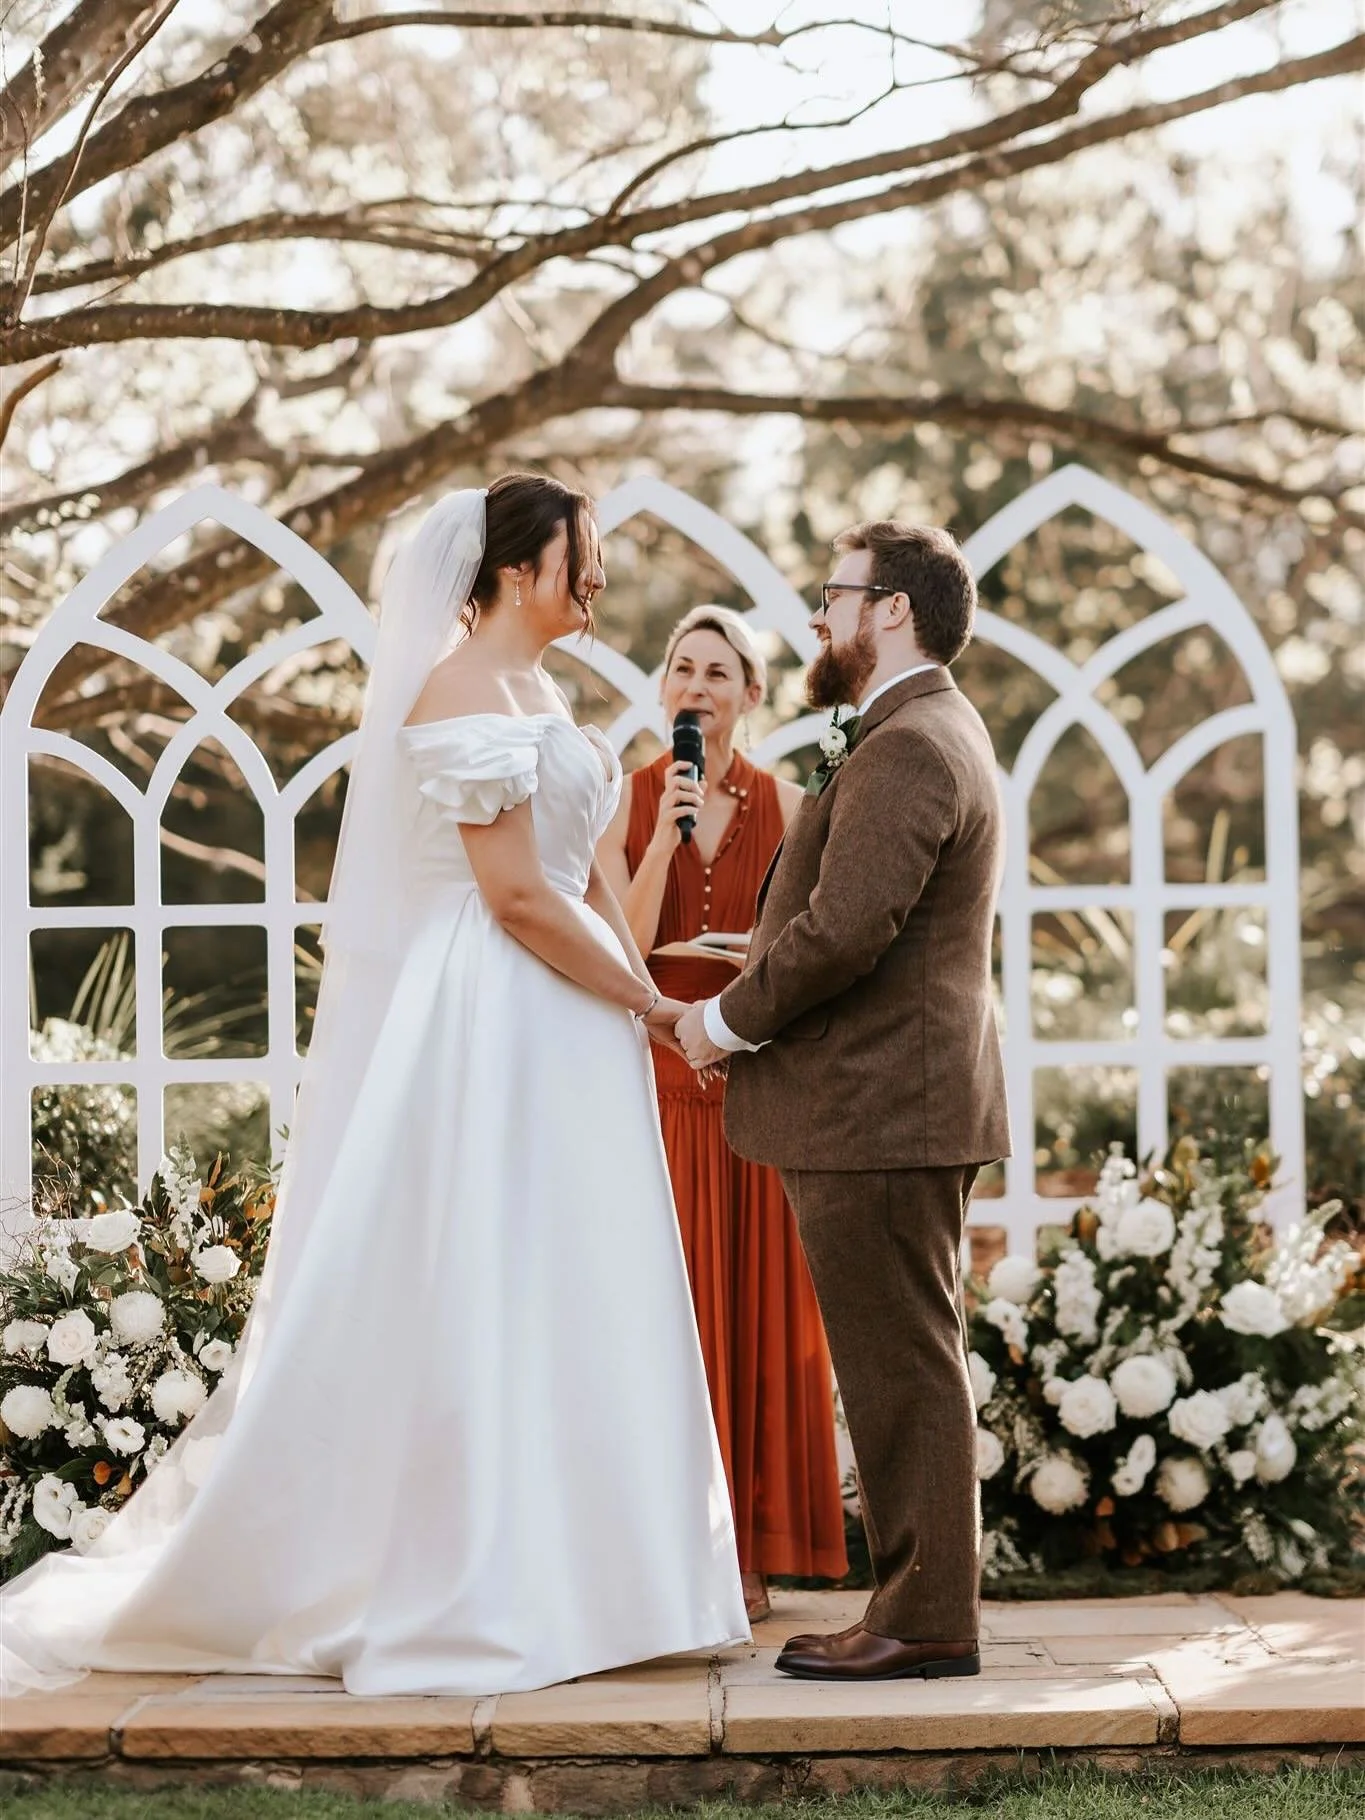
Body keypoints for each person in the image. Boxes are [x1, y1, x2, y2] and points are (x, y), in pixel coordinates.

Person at [0, 475, 748, 1699]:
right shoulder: (452, 689)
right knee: (482, 1280)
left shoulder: (547, 691)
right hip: (496, 1010)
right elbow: (513, 895)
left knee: (581, 1275)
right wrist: (646, 1002)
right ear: (517, 569)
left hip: (577, 1014)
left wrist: (648, 1002)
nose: (599, 574)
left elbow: (589, 874)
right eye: (583, 553)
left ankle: (619, 1580)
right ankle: (478, 1583)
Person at [676, 521, 1011, 1682]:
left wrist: (719, 1019)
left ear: (892, 612)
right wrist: (759, 942)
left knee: (899, 1363)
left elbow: (850, 933)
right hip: (891, 1099)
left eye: (837, 593)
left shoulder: (913, 741)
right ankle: (919, 1606)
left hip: (882, 1106)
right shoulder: (918, 728)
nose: (820, 615)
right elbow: (857, 917)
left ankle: (921, 1621)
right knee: (903, 1357)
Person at [597, 606, 848, 1624]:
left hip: (754, 1091)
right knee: (673, 1322)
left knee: (752, 1324)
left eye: (718, 671)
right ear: (664, 692)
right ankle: (660, 1548)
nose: (697, 685)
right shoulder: (626, 798)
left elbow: (805, 950)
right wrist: (664, 837)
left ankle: (746, 1550)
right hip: (657, 1090)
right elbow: (620, 938)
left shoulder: (794, 802)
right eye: (681, 668)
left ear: (751, 694)